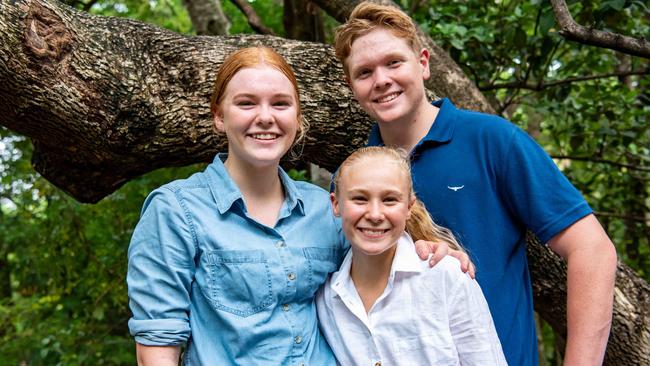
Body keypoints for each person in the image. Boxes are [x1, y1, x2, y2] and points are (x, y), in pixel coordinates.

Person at [126, 46, 461, 365]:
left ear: (297, 118)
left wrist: (429, 252)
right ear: (219, 116)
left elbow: (383, 268)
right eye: (246, 104)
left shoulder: (323, 208)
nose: (265, 117)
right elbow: (156, 348)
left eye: (280, 104)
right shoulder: (176, 211)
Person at [332, 2, 617, 365]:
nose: (382, 80)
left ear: (422, 62)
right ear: (350, 85)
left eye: (394, 63)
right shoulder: (355, 178)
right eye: (364, 72)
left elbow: (592, 251)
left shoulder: (492, 141)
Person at [316, 146, 507, 365]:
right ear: (336, 204)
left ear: (409, 207)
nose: (375, 215)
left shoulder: (445, 276)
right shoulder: (327, 297)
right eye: (360, 199)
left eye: (389, 200)